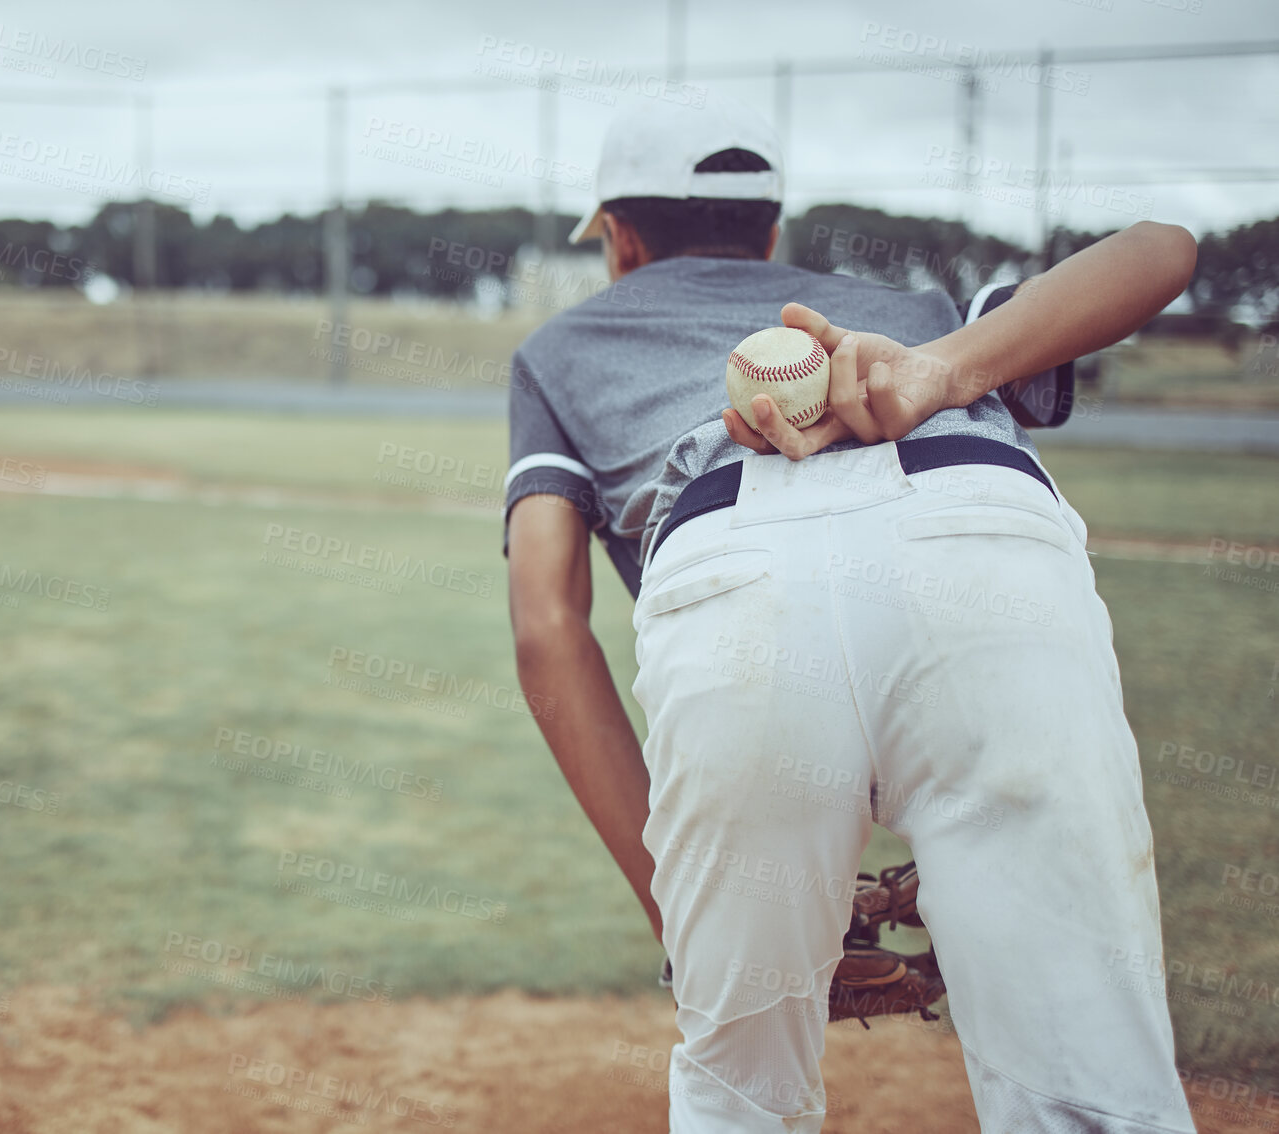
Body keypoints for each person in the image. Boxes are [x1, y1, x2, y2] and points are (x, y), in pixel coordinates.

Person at [504, 93, 1200, 1131]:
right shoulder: (907, 311)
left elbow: (547, 629)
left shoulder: (557, 350)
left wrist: (686, 911)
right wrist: (943, 370)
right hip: (978, 527)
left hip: (725, 559)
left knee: (741, 1095)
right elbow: (1164, 247)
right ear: (772, 230)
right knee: (1090, 1088)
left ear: (621, 237)